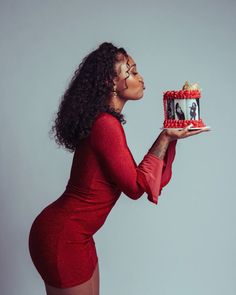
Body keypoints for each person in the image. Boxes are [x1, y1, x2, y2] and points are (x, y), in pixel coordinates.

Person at [28, 42, 208, 295]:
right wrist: (165, 138)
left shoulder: (106, 123)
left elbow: (141, 180)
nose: (140, 77)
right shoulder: (105, 125)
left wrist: (170, 137)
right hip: (62, 236)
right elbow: (135, 187)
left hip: (79, 236)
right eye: (131, 72)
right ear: (111, 82)